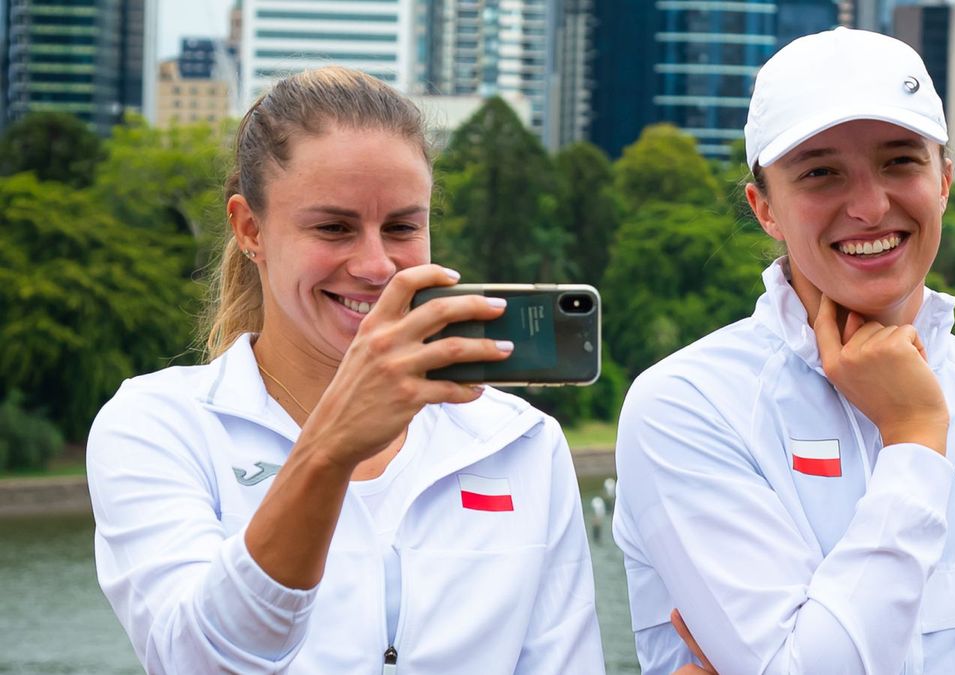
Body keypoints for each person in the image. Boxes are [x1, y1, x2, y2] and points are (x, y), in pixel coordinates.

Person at [613, 28, 955, 674]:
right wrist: (914, 435)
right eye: (821, 171)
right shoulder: (688, 408)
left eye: (900, 161)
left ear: (944, 180)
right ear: (764, 206)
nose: (870, 205)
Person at [87, 67, 604, 674]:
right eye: (332, 227)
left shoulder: (517, 441)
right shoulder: (159, 425)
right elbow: (199, 658)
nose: (375, 264)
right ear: (250, 228)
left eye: (403, 227)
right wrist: (329, 449)